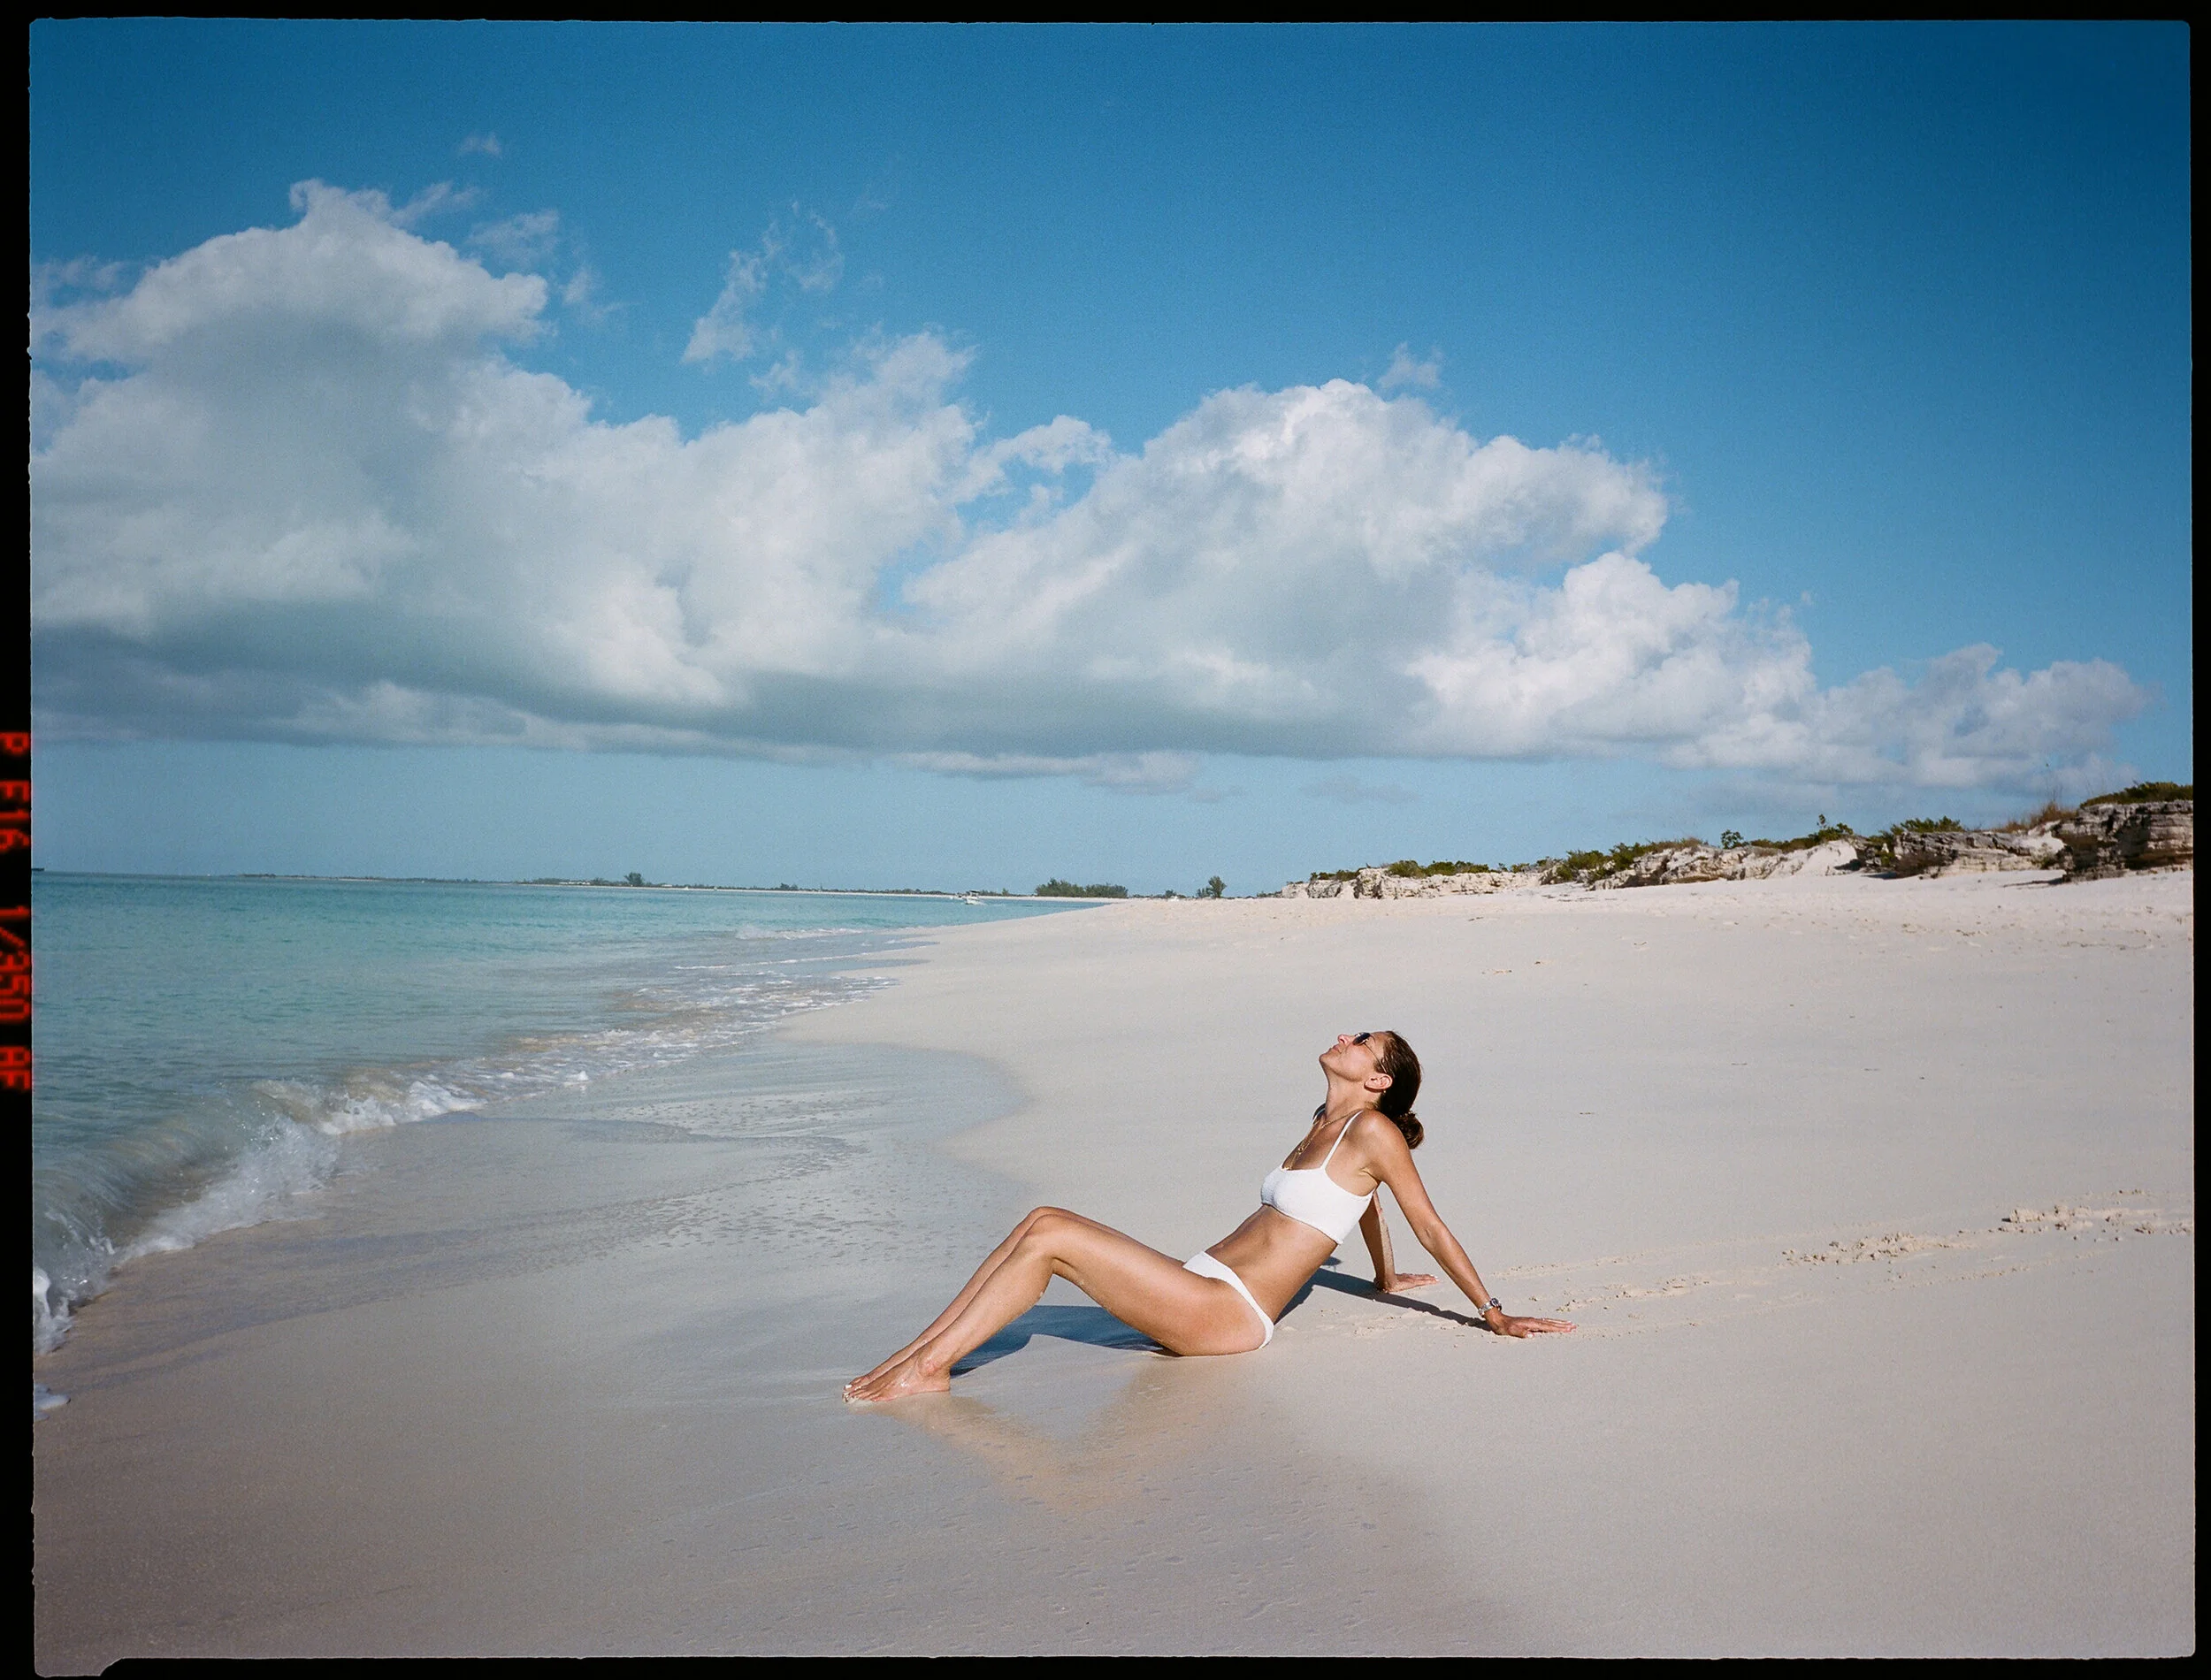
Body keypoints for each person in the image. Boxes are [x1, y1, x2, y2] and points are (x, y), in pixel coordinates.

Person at [845, 1030, 1573, 1401]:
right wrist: (1382, 1279)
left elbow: (1427, 1222)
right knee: (1039, 1222)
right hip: (1202, 1282)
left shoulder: (1373, 1133)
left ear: (1377, 1080)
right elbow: (1368, 1206)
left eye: (1363, 1042)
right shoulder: (1323, 1118)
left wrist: (1495, 1313)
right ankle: (913, 1359)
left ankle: (928, 1368)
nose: (1345, 1038)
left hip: (1228, 1315)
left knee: (1051, 1228)